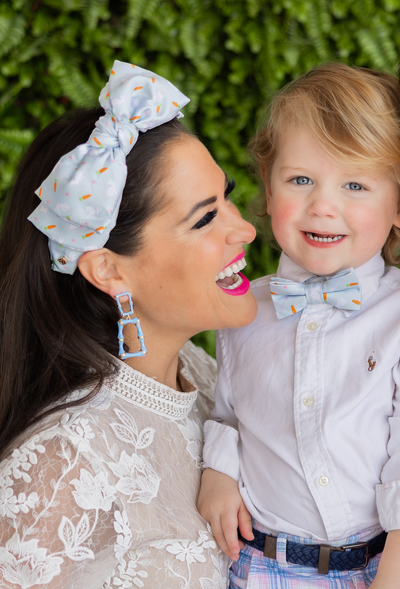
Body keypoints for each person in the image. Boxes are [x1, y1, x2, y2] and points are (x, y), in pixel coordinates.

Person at [0, 60, 258, 588]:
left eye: (226, 197)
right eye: (205, 217)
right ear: (108, 269)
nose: (247, 230)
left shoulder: (203, 372)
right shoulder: (60, 465)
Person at [197, 62, 400, 588]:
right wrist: (219, 472)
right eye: (301, 179)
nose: (324, 205)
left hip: (383, 565)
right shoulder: (243, 307)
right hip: (263, 564)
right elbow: (228, 412)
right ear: (268, 189)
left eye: (356, 184)